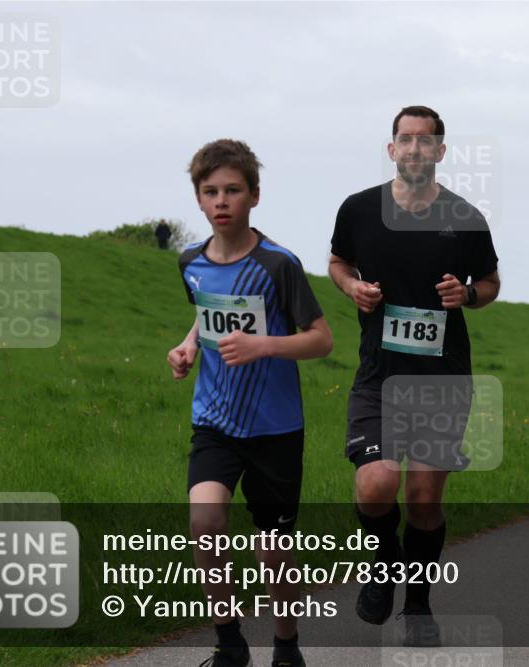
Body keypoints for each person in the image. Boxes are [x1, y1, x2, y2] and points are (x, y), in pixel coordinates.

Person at [328, 106, 500, 647]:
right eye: (406, 140)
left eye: (426, 142)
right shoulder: (359, 209)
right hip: (379, 373)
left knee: (425, 497)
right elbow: (337, 262)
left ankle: (418, 606)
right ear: (391, 148)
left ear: (441, 152)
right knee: (377, 482)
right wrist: (351, 288)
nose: (415, 149)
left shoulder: (464, 216)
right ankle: (383, 566)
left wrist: (467, 295)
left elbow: (491, 281)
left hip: (442, 377)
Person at [167, 139, 333, 667]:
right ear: (197, 199)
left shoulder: (278, 264)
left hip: (275, 427)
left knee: (274, 552)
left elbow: (321, 338)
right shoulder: (190, 262)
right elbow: (208, 311)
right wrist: (189, 344)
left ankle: (286, 646)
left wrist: (264, 345)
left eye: (232, 191)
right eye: (210, 191)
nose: (222, 201)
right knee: (204, 520)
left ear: (254, 196)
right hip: (214, 420)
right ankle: (230, 643)